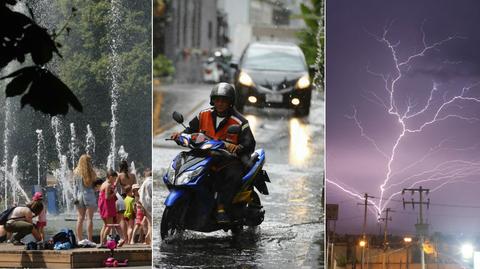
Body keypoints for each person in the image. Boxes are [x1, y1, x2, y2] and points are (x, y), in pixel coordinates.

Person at [171, 82, 256, 223]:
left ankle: (222, 207)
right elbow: (189, 131)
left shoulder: (240, 121)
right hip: (205, 155)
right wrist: (179, 135)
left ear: (230, 102)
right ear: (213, 100)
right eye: (217, 99)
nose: (220, 103)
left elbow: (249, 143)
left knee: (230, 175)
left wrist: (238, 147)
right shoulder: (203, 115)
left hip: (228, 160)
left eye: (224, 100)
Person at [73, 154, 97, 246]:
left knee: (80, 218)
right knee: (89, 218)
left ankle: (79, 239)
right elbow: (94, 185)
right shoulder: (91, 172)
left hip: (79, 195)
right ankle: (90, 239)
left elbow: (75, 186)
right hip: (89, 195)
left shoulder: (76, 171)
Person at [98, 169, 117, 247]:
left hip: (103, 206)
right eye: (114, 178)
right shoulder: (108, 185)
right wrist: (114, 194)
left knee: (105, 225)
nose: (115, 180)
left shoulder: (104, 184)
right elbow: (107, 197)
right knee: (109, 225)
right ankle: (103, 243)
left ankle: (102, 242)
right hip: (107, 206)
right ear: (110, 177)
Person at [139, 169, 152, 245]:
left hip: (144, 205)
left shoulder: (145, 182)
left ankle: (148, 237)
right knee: (151, 224)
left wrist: (141, 206)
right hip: (150, 205)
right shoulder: (150, 182)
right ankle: (149, 240)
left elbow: (139, 192)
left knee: (150, 223)